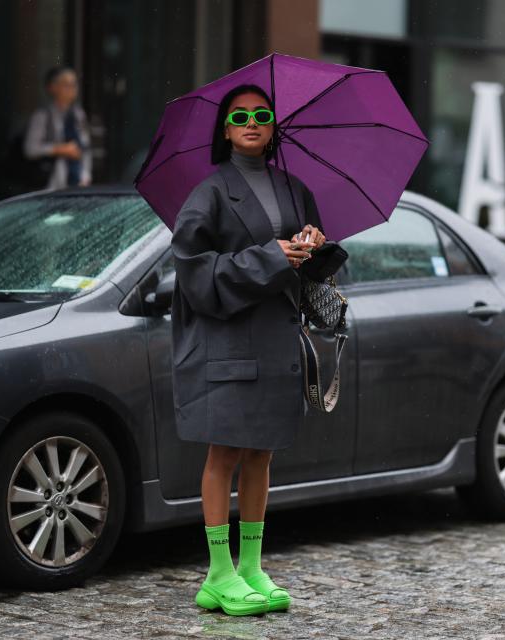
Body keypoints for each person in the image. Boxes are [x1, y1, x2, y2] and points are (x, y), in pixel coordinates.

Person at [171, 84, 327, 616]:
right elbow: (194, 273)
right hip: (230, 342)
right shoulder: (209, 193)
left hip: (275, 342)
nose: (253, 122)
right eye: (241, 116)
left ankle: (252, 565)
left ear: (273, 124)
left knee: (262, 453)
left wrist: (314, 248)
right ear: (226, 128)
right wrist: (270, 257)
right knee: (225, 453)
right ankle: (218, 573)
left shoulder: (294, 188)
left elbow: (314, 273)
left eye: (262, 114)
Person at [23, 66, 92, 190]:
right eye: (66, 84)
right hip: (51, 185)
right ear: (52, 87)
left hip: (77, 183)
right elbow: (31, 149)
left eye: (74, 84)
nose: (72, 88)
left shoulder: (78, 114)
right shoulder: (43, 115)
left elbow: (85, 148)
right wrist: (60, 149)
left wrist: (85, 176)